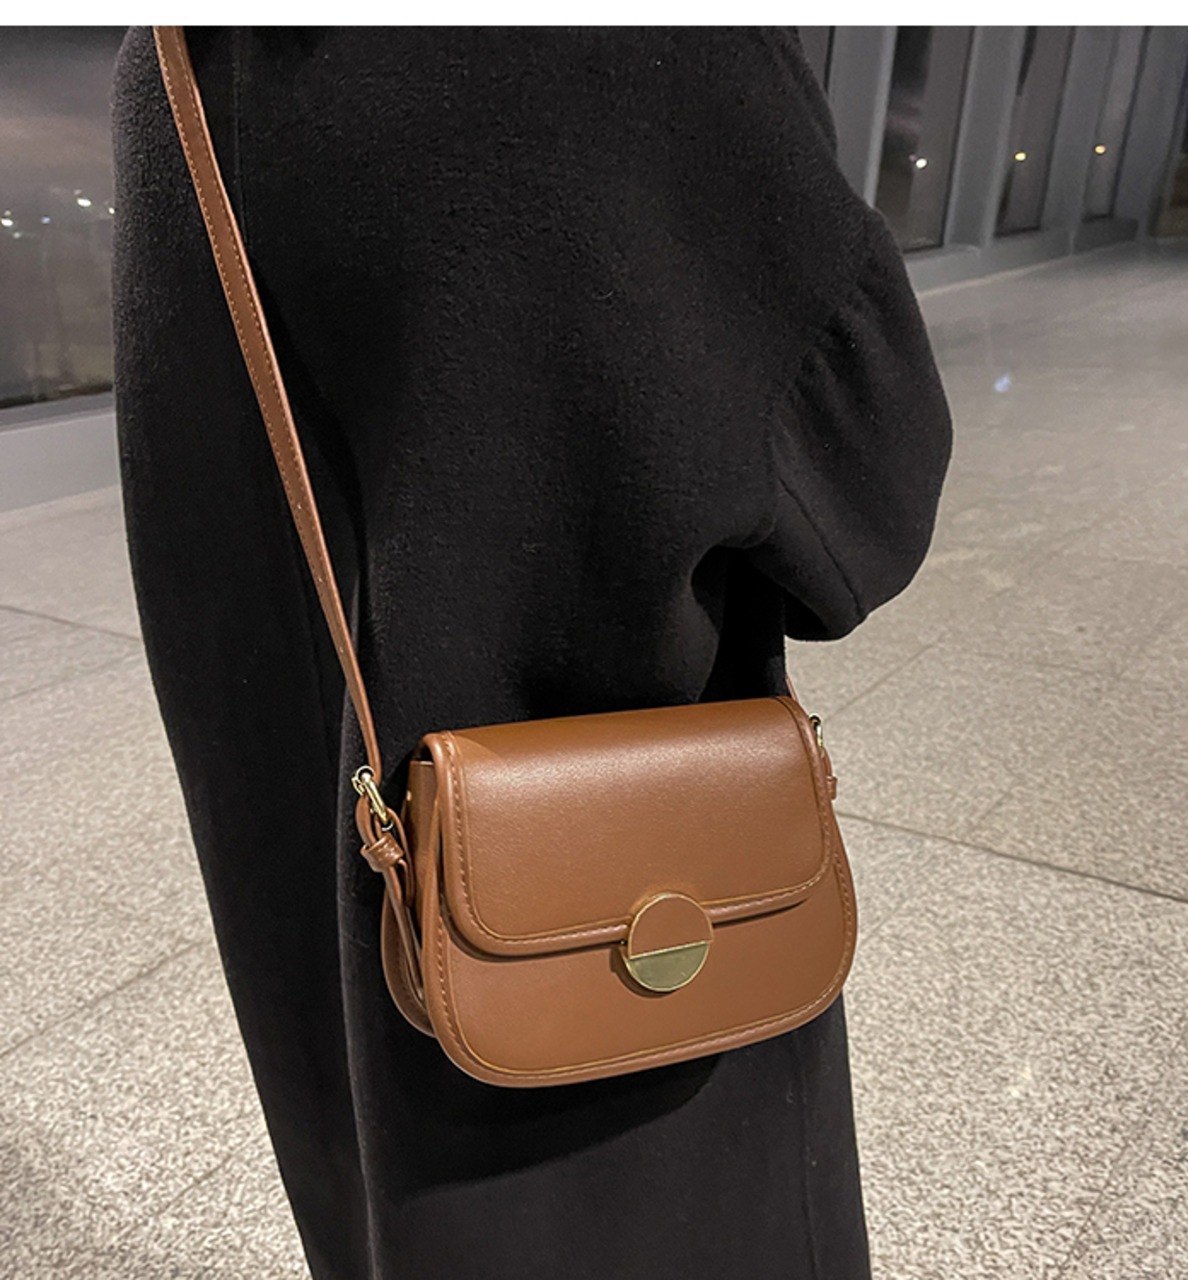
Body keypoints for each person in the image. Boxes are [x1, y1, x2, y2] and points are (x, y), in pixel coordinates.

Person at [110, 26, 951, 1280]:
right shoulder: (629, 43)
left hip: (320, 923)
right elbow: (862, 492)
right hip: (642, 987)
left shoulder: (168, 65)